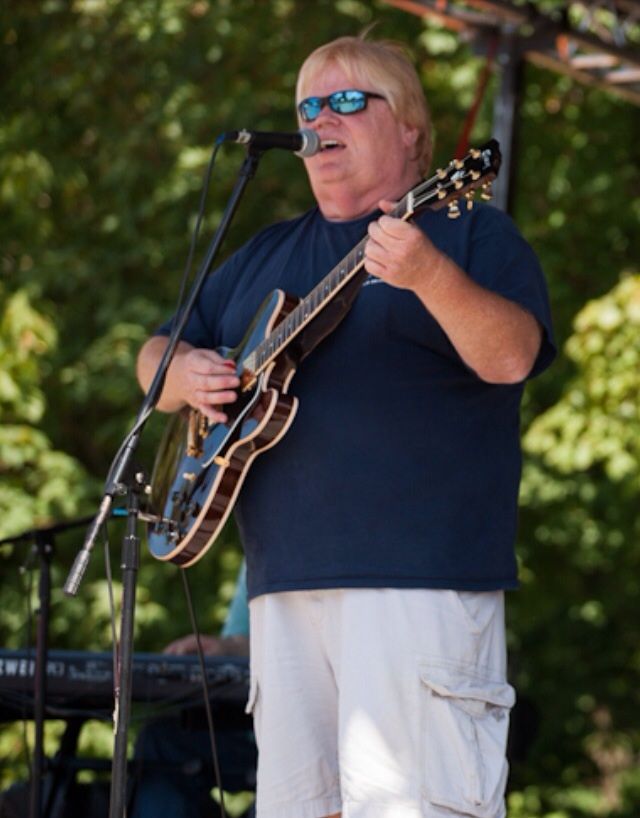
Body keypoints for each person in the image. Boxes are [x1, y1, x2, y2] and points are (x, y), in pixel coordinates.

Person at [137, 35, 555, 818]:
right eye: (309, 105)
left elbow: (513, 357)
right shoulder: (266, 253)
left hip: (416, 584)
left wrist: (428, 275)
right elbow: (154, 357)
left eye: (349, 101)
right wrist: (183, 372)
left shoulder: (466, 230)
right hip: (284, 590)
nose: (321, 117)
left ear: (410, 128)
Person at [129, 562, 255, 818]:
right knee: (160, 740)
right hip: (248, 731)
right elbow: (242, 643)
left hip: (309, 738)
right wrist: (224, 648)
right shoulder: (260, 553)